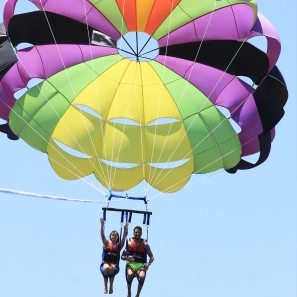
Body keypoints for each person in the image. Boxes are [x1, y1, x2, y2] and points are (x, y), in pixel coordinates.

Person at [121, 226, 154, 297]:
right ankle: (129, 292)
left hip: (141, 265)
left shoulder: (145, 244)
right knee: (130, 274)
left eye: (139, 232)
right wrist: (127, 258)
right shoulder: (129, 243)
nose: (137, 234)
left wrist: (148, 264)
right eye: (136, 232)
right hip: (131, 264)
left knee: (142, 276)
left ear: (141, 233)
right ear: (133, 233)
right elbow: (122, 256)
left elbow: (152, 257)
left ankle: (138, 294)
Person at [100, 218, 129, 294]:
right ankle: (105, 286)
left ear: (117, 237)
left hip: (114, 264)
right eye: (113, 235)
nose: (114, 236)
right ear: (110, 236)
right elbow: (102, 235)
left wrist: (125, 229)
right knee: (106, 268)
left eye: (116, 235)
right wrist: (102, 225)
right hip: (106, 262)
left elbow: (123, 238)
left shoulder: (118, 246)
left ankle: (111, 286)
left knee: (111, 268)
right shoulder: (107, 243)